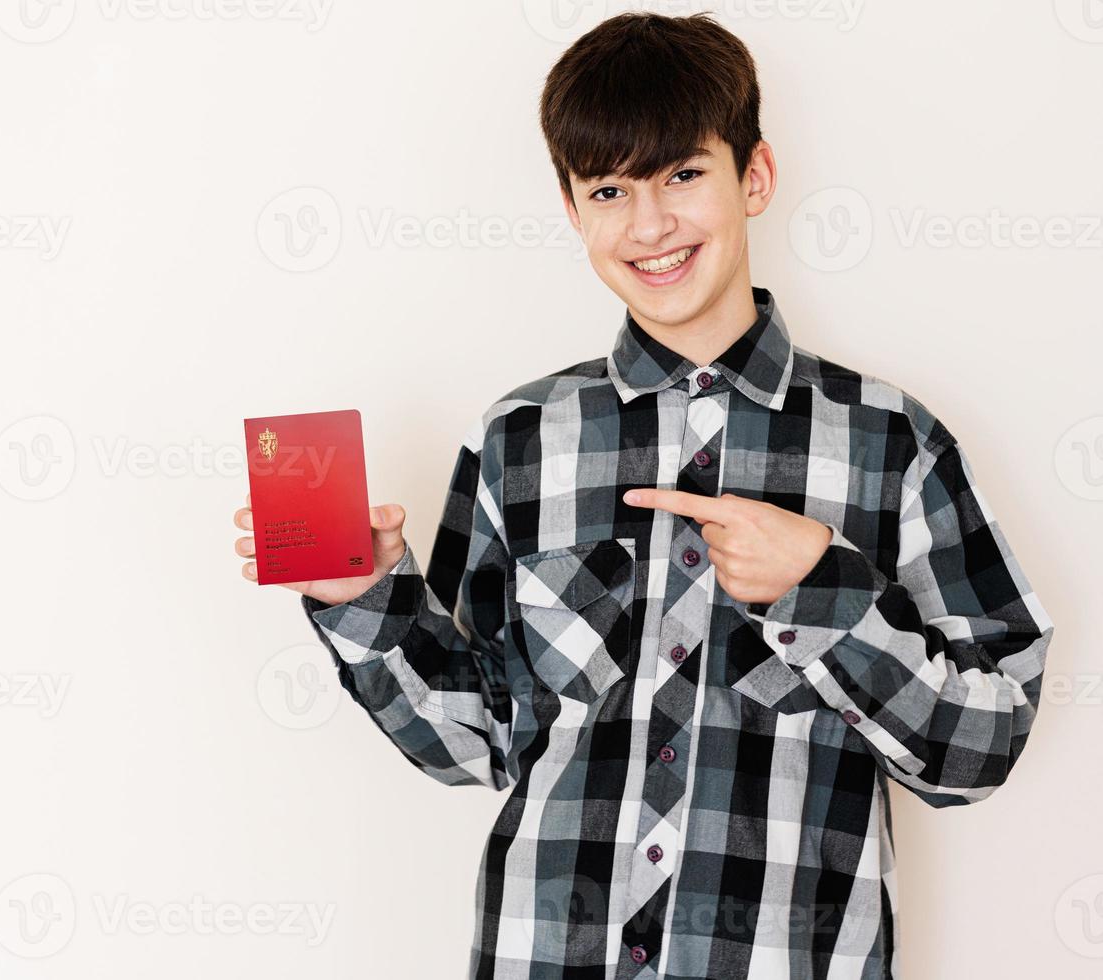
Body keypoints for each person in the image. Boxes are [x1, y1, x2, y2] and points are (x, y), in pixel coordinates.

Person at [232, 11, 1053, 978]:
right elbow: (476, 742)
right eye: (610, 188)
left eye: (683, 175)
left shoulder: (891, 442)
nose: (649, 224)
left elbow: (982, 747)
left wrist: (820, 590)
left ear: (755, 177)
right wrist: (365, 600)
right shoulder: (518, 440)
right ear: (573, 210)